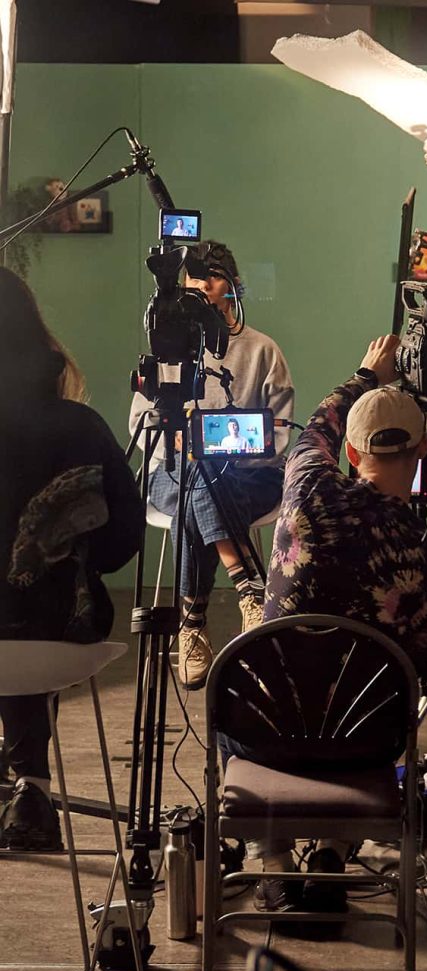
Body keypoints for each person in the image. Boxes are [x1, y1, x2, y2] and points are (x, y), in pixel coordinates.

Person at [223, 333, 427, 912]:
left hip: (266, 739)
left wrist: (365, 373)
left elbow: (314, 429)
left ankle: (274, 865)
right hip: (364, 747)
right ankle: (331, 853)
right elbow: (416, 667)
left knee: (250, 691)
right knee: (373, 694)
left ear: (352, 455)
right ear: (425, 452)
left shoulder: (305, 491)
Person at [0, 268, 142, 851]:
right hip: (63, 637)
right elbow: (123, 540)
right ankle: (31, 788)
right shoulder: (82, 427)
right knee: (37, 602)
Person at [129, 240, 294, 690]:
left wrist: (224, 450)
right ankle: (247, 584)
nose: (203, 284)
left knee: (204, 472)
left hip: (251, 478)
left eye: (213, 276)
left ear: (233, 286)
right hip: (171, 473)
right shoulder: (165, 347)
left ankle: (192, 622)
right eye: (194, 276)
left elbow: (278, 436)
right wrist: (185, 443)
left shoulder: (263, 351)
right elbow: (140, 426)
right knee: (197, 466)